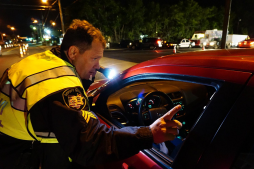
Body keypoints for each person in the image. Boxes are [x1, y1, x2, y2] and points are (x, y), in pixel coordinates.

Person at [0, 19, 182, 169]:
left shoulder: (44, 62)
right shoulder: (57, 85)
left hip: (11, 147)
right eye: (94, 58)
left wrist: (93, 69)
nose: (97, 65)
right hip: (26, 157)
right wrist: (149, 133)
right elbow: (91, 144)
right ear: (73, 52)